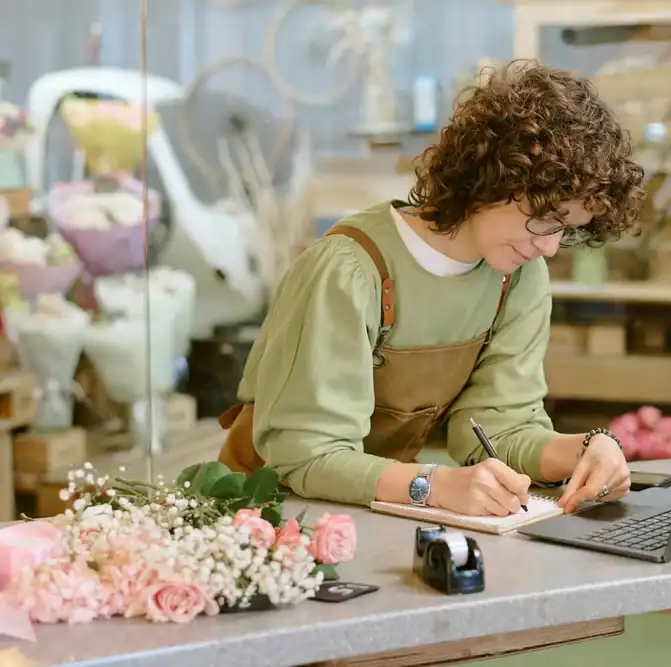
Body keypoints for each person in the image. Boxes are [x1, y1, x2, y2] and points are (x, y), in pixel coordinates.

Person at [218, 60, 645, 516]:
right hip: (267, 522)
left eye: (569, 230)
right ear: (493, 176)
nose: (551, 247)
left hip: (368, 516)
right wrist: (436, 486)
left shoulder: (516, 275)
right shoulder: (349, 269)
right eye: (546, 219)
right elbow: (305, 454)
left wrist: (588, 449)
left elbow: (498, 429)